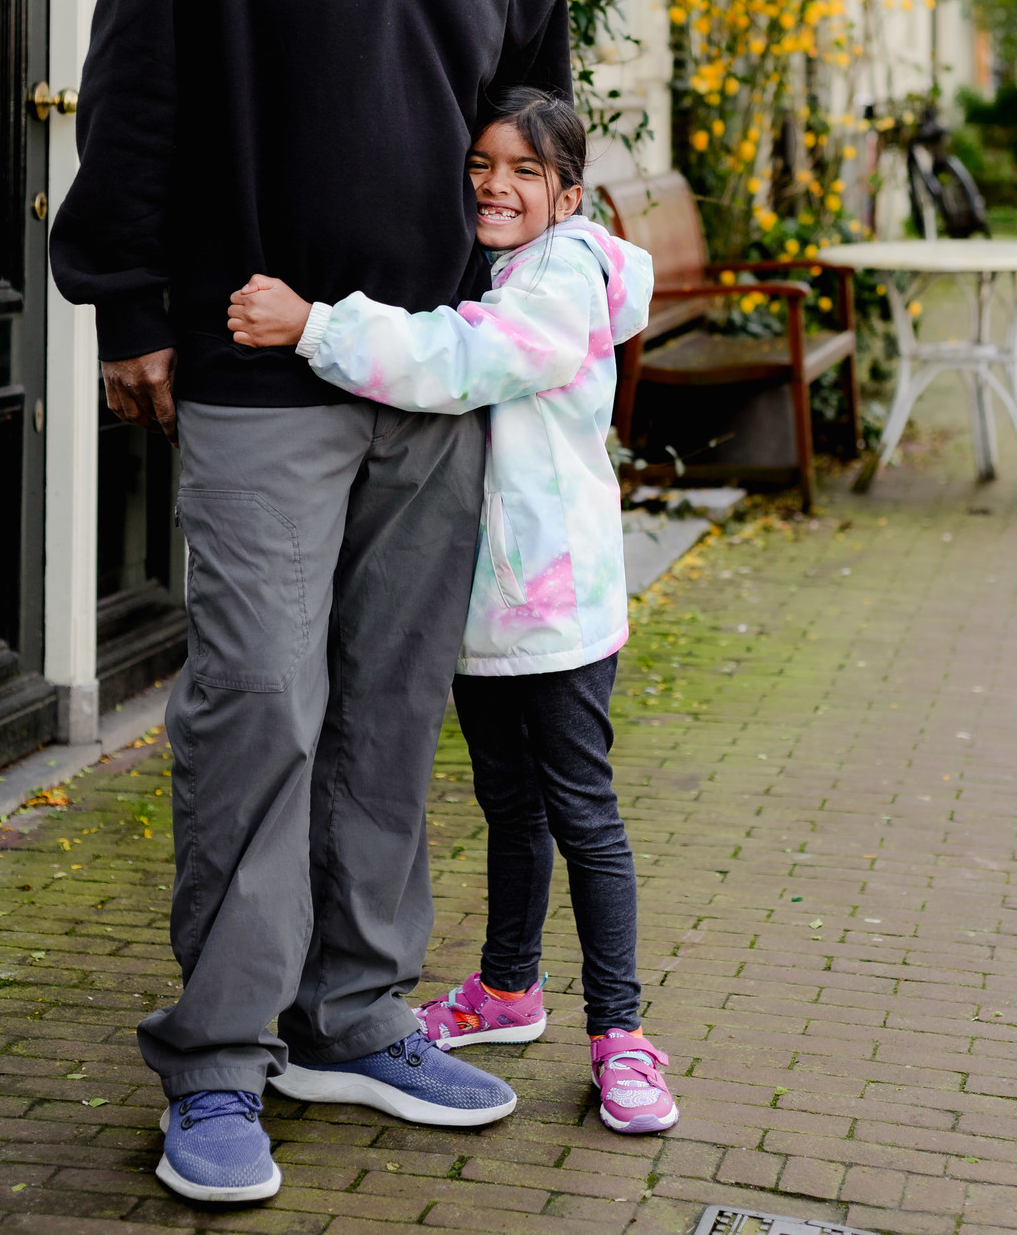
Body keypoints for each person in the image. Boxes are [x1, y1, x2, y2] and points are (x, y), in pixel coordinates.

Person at [50, 0, 571, 1204]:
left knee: (389, 714)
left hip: (431, 388)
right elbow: (136, 68)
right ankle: (217, 1062)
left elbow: (539, 160)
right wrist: (133, 302)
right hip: (260, 371)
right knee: (260, 704)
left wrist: (530, 329)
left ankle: (352, 1012)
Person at [228, 88, 679, 1139]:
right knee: (510, 807)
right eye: (482, 162)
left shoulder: (561, 276)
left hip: (555, 601)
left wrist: (315, 325)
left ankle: (620, 1033)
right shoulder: (509, 264)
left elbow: (466, 360)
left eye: (525, 170)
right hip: (486, 603)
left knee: (583, 814)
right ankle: (508, 990)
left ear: (568, 194)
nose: (496, 184)